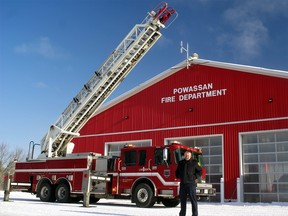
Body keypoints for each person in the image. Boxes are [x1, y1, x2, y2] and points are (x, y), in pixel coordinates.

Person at [176, 150, 202, 216]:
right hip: (183, 184)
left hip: (191, 184)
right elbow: (177, 172)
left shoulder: (194, 162)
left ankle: (195, 214)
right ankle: (182, 214)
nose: (187, 155)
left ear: (190, 155)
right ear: (184, 155)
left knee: (193, 200)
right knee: (182, 201)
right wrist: (179, 176)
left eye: (188, 154)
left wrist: (195, 177)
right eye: (185, 154)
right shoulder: (181, 163)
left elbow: (200, 171)